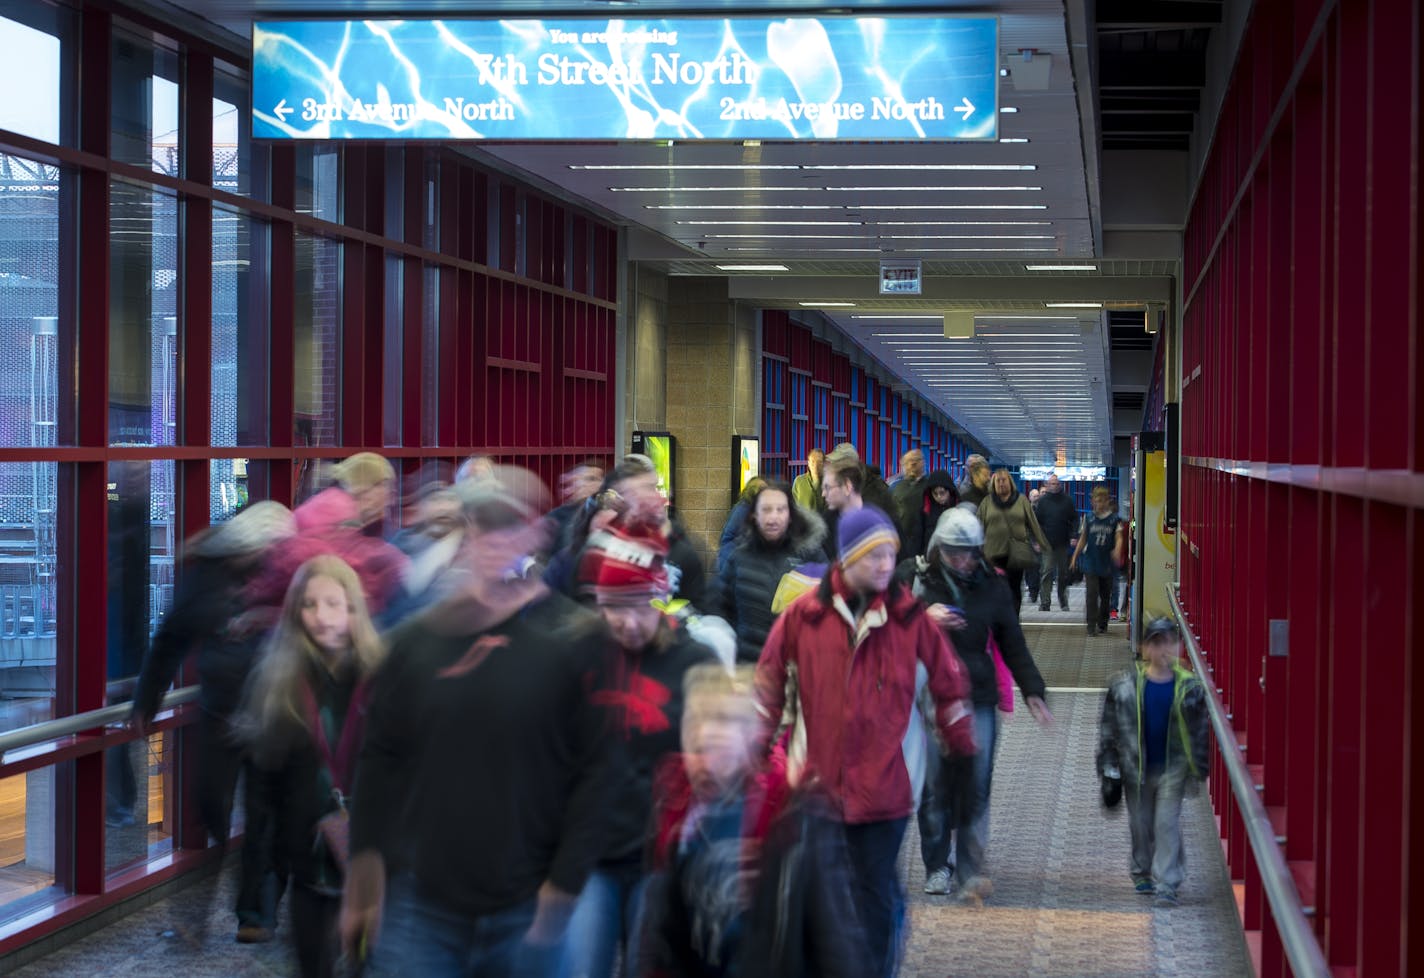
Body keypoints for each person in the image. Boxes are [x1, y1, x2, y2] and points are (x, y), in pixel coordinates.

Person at [341, 469, 619, 977]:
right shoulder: (414, 645)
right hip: (420, 901)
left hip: (526, 902)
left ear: (536, 535)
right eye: (482, 528)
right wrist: (364, 875)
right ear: (465, 536)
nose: (494, 542)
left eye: (508, 527)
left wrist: (562, 885)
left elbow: (597, 772)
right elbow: (380, 760)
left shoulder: (574, 644)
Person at [755, 506, 976, 978]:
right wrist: (753, 754)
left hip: (883, 794)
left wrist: (961, 742)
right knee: (819, 895)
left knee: (873, 897)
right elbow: (769, 686)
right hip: (814, 792)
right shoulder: (804, 617)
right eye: (874, 555)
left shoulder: (908, 618)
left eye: (890, 555)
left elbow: (947, 680)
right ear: (847, 557)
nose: (884, 565)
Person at [129, 501, 298, 943]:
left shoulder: (284, 575)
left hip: (270, 713)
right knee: (210, 805)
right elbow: (171, 636)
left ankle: (253, 915)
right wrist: (146, 699)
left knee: (262, 815)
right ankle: (204, 906)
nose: (265, 555)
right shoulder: (207, 575)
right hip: (219, 711)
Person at [641, 665, 874, 978]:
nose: (705, 765)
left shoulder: (793, 814)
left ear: (749, 743)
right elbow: (661, 931)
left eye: (719, 751)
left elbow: (834, 932)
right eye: (697, 750)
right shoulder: (677, 811)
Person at [561, 538, 717, 978]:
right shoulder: (577, 659)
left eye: (641, 607)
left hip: (662, 856)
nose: (628, 623)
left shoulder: (694, 662)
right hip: (592, 853)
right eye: (614, 609)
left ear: (660, 600)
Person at [240, 555, 386, 978]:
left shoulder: (383, 677)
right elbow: (261, 796)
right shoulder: (277, 684)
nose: (321, 617)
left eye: (333, 604)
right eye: (309, 604)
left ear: (354, 610)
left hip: (374, 860)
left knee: (368, 964)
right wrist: (258, 897)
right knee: (313, 965)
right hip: (309, 862)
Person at [909, 508, 1052, 905]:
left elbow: (1012, 641)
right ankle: (938, 864)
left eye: (969, 553)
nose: (963, 561)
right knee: (935, 785)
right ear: (939, 549)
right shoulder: (918, 581)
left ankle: (970, 868)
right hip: (932, 696)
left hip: (978, 696)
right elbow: (889, 628)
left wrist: (1032, 690)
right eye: (954, 553)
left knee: (977, 783)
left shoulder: (993, 586)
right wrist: (924, 618)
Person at [1097, 617, 1209, 907]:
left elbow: (1199, 730)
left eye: (1168, 642)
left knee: (1166, 822)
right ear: (1144, 648)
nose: (1163, 650)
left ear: (1177, 646)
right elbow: (1109, 729)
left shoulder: (1189, 688)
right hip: (1137, 767)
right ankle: (1141, 869)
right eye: (1156, 643)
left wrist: (1199, 766)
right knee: (1141, 822)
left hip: (1174, 767)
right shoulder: (1125, 687)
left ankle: (1168, 881)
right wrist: (1108, 766)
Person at [713, 480, 828, 663]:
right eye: (766, 509)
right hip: (750, 667)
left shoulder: (811, 555)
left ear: (790, 515)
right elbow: (720, 608)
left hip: (796, 668)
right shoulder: (738, 558)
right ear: (754, 515)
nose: (773, 517)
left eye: (780, 510)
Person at [977, 469, 1050, 617]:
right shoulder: (987, 502)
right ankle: (999, 621)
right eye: (998, 481)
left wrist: (1044, 545)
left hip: (1016, 553)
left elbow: (1033, 523)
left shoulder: (1021, 500)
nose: (1001, 483)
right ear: (994, 484)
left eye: (1004, 480)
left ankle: (1013, 620)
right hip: (993, 553)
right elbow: (977, 526)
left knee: (1014, 588)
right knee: (996, 590)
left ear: (1010, 482)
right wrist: (974, 549)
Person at [1070, 485, 1126, 636]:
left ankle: (1103, 622)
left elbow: (1119, 537)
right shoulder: (1088, 518)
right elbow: (1083, 539)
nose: (1100, 504)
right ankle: (1091, 625)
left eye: (1103, 500)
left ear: (1108, 501)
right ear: (1092, 501)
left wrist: (1117, 549)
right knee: (1091, 595)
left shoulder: (1114, 520)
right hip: (1091, 563)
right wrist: (1075, 557)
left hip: (1107, 563)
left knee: (1105, 595)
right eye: (1097, 500)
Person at [1033, 474, 1078, 612]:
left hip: (1063, 543)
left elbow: (1074, 519)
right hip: (1046, 543)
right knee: (1046, 572)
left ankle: (1063, 601)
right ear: (1047, 485)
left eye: (1057, 483)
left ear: (1060, 485)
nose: (1055, 485)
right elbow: (1036, 523)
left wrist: (1074, 535)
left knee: (1063, 574)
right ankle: (1045, 602)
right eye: (1052, 483)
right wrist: (1036, 541)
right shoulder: (1043, 501)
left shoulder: (1067, 500)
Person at [715, 477, 766, 577]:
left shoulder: (747, 507)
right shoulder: (744, 509)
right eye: (763, 489)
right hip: (731, 560)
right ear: (755, 491)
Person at [818, 451, 865, 560]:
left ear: (847, 487)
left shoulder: (883, 523)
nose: (823, 494)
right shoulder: (822, 526)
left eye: (828, 488)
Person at [910, 471, 959, 558]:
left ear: (950, 491)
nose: (939, 497)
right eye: (935, 493)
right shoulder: (925, 510)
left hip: (953, 558)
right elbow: (917, 538)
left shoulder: (959, 509)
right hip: (930, 557)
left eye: (942, 493)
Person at [889, 450, 926, 548]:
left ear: (923, 462)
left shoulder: (930, 485)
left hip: (924, 539)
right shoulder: (894, 486)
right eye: (909, 461)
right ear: (903, 465)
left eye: (916, 460)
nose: (913, 463)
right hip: (901, 539)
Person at [791, 448, 826, 514]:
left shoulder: (828, 482)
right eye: (813, 461)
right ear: (808, 463)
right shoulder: (799, 481)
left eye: (819, 462)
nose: (815, 466)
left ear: (824, 464)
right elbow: (793, 505)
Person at [1024, 488, 1043, 606]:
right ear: (1030, 497)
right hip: (1029, 543)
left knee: (1037, 568)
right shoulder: (1026, 510)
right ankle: (1032, 591)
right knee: (1030, 569)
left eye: (1038, 496)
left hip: (1040, 543)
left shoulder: (1042, 511)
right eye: (1034, 496)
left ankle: (1034, 592)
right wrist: (1033, 542)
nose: (1037, 498)